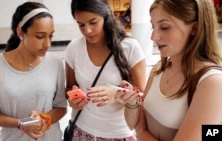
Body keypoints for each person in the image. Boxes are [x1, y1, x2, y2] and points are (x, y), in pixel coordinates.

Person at [119, 0, 222, 141]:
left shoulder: (212, 82)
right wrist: (131, 103)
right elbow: (132, 123)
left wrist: (141, 130)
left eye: (165, 27)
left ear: (195, 28)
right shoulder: (159, 69)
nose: (153, 37)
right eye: (153, 27)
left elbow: (139, 127)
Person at [0, 2, 67, 141]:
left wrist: (45, 120)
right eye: (40, 36)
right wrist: (21, 124)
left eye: (51, 36)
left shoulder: (55, 63)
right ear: (20, 32)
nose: (48, 44)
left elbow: (61, 107)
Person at [65, 0, 146, 140]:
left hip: (119, 134)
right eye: (81, 25)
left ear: (106, 17)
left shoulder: (130, 47)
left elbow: (141, 97)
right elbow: (69, 88)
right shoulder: (74, 48)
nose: (87, 31)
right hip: (81, 130)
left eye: (93, 22)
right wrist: (72, 100)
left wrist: (116, 93)